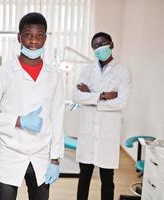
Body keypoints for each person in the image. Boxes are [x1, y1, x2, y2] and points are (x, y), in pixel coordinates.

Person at [0, 12, 65, 200]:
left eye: (39, 35)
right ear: (19, 37)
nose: (33, 40)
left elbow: (57, 119)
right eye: (27, 34)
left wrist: (55, 159)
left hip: (42, 157)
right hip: (10, 154)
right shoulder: (2, 73)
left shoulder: (55, 77)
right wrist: (19, 121)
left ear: (45, 38)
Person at [72, 32, 132, 200]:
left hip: (107, 134)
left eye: (103, 43)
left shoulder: (123, 72)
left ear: (111, 44)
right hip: (88, 132)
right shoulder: (87, 70)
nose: (100, 47)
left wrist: (90, 96)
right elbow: (76, 96)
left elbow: (121, 103)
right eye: (96, 45)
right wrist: (103, 96)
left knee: (107, 179)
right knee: (84, 177)